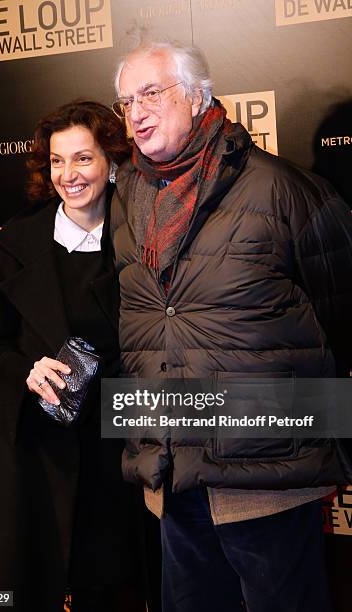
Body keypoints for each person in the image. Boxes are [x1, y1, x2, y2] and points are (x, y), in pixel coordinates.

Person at [110, 41, 352, 612]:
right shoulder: (127, 200)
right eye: (125, 101)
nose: (136, 111)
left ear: (198, 96)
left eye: (151, 93)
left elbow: (341, 314)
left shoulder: (281, 188)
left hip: (267, 476)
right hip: (171, 476)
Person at [0, 100, 146, 612]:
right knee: (13, 591)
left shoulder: (139, 237)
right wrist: (28, 372)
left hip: (111, 452)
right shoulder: (19, 238)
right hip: (29, 452)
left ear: (111, 159)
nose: (69, 175)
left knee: (109, 589)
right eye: (57, 161)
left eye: (82, 159)